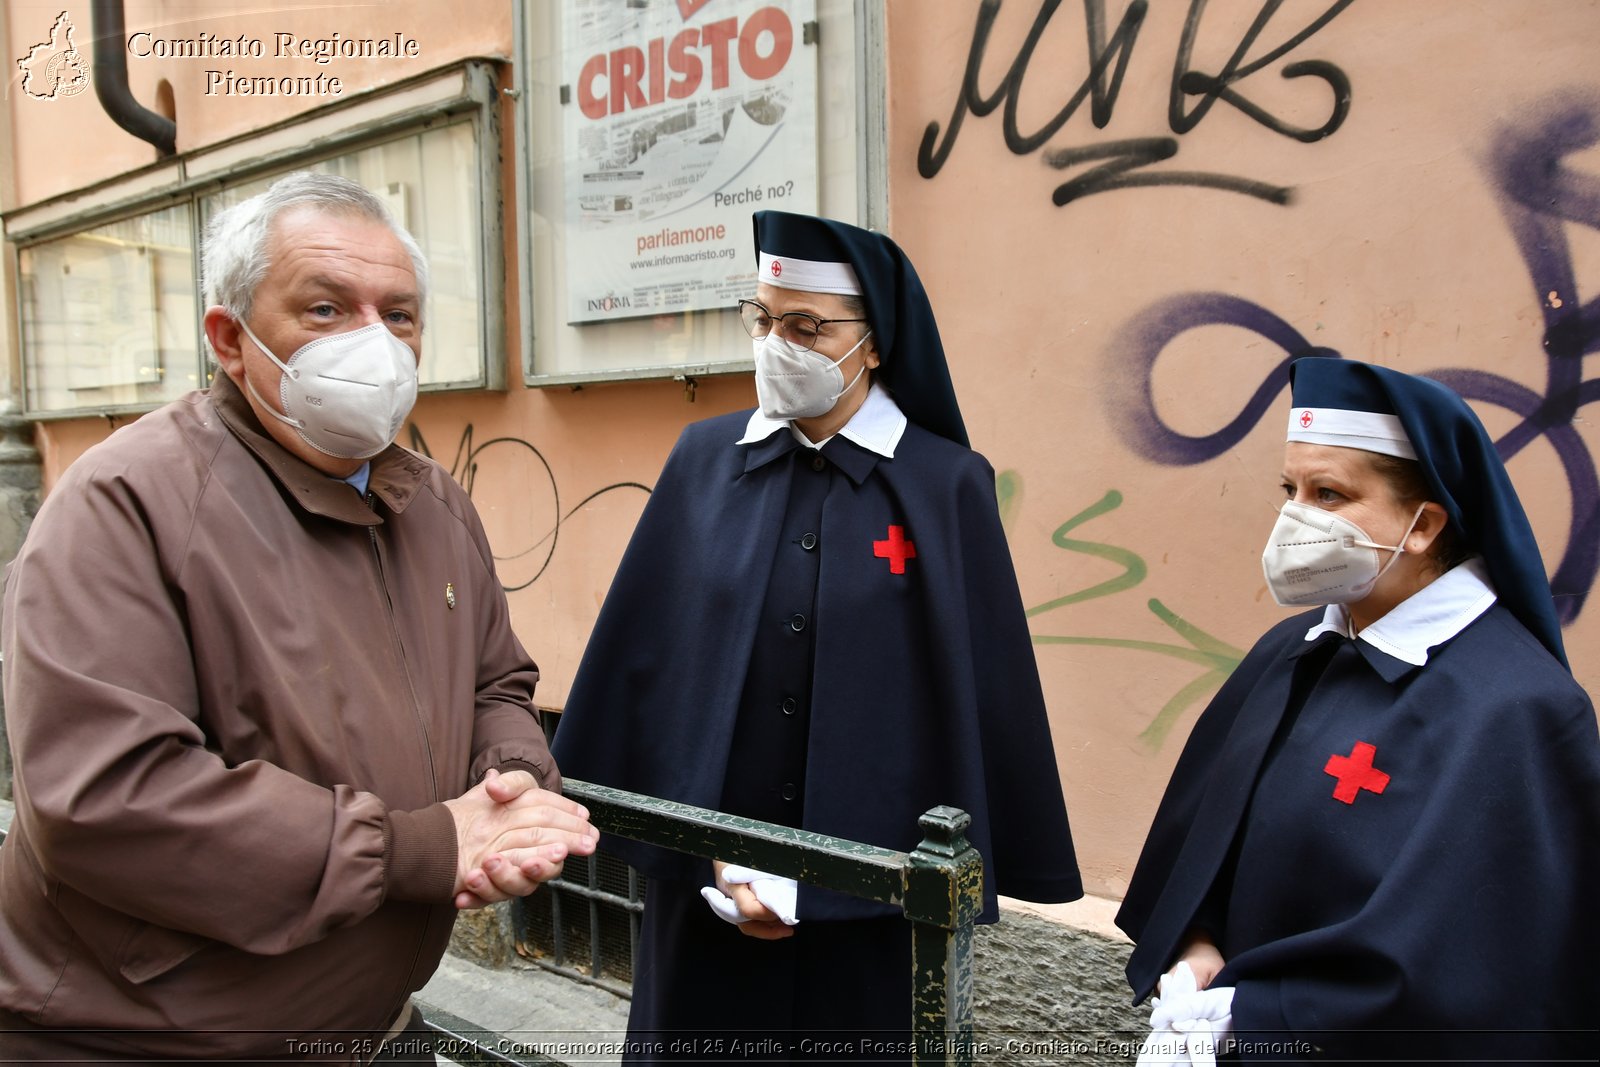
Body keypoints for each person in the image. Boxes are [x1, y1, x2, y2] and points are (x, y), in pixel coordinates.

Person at [0, 172, 597, 1062]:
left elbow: (494, 679)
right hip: (148, 1040)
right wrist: (420, 848)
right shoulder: (125, 501)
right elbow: (107, 796)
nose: (373, 341)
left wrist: (508, 783)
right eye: (325, 309)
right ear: (231, 339)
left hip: (375, 1027)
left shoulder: (431, 499)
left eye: (398, 315)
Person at [551, 210, 1082, 1061]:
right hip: (707, 894)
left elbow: (965, 699)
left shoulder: (946, 486)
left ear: (873, 344)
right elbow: (657, 669)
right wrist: (716, 859)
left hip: (869, 912)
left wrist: (821, 887)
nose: (776, 344)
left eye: (806, 326)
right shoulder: (701, 459)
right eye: (762, 319)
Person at [1116, 356, 1600, 1060]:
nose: (1295, 517)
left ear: (1426, 524)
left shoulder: (1521, 711)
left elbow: (1477, 972)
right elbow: (1202, 852)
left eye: (1330, 494)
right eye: (1290, 488)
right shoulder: (1292, 651)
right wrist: (1197, 949)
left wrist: (1256, 1015)